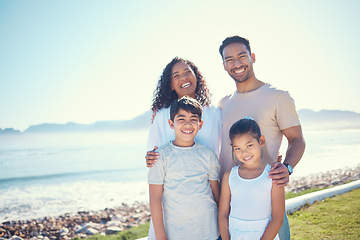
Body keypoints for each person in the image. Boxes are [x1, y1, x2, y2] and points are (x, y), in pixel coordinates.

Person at [218, 36, 306, 239]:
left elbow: (297, 140)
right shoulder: (223, 104)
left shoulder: (278, 97)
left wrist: (287, 167)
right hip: (230, 203)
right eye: (229, 59)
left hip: (265, 203)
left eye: (242, 56)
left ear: (253, 57)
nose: (237, 63)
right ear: (224, 65)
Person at [146, 57, 222, 239]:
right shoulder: (162, 116)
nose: (184, 77)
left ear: (197, 76)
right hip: (174, 211)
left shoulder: (214, 113)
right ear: (171, 84)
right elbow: (152, 155)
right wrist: (149, 157)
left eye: (188, 72)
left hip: (206, 208)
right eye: (176, 75)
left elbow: (225, 149)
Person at [218, 118, 285, 240]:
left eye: (249, 145)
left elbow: (277, 219)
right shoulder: (229, 176)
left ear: (261, 141)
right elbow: (223, 214)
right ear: (232, 148)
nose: (244, 153)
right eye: (238, 148)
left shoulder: (273, 175)